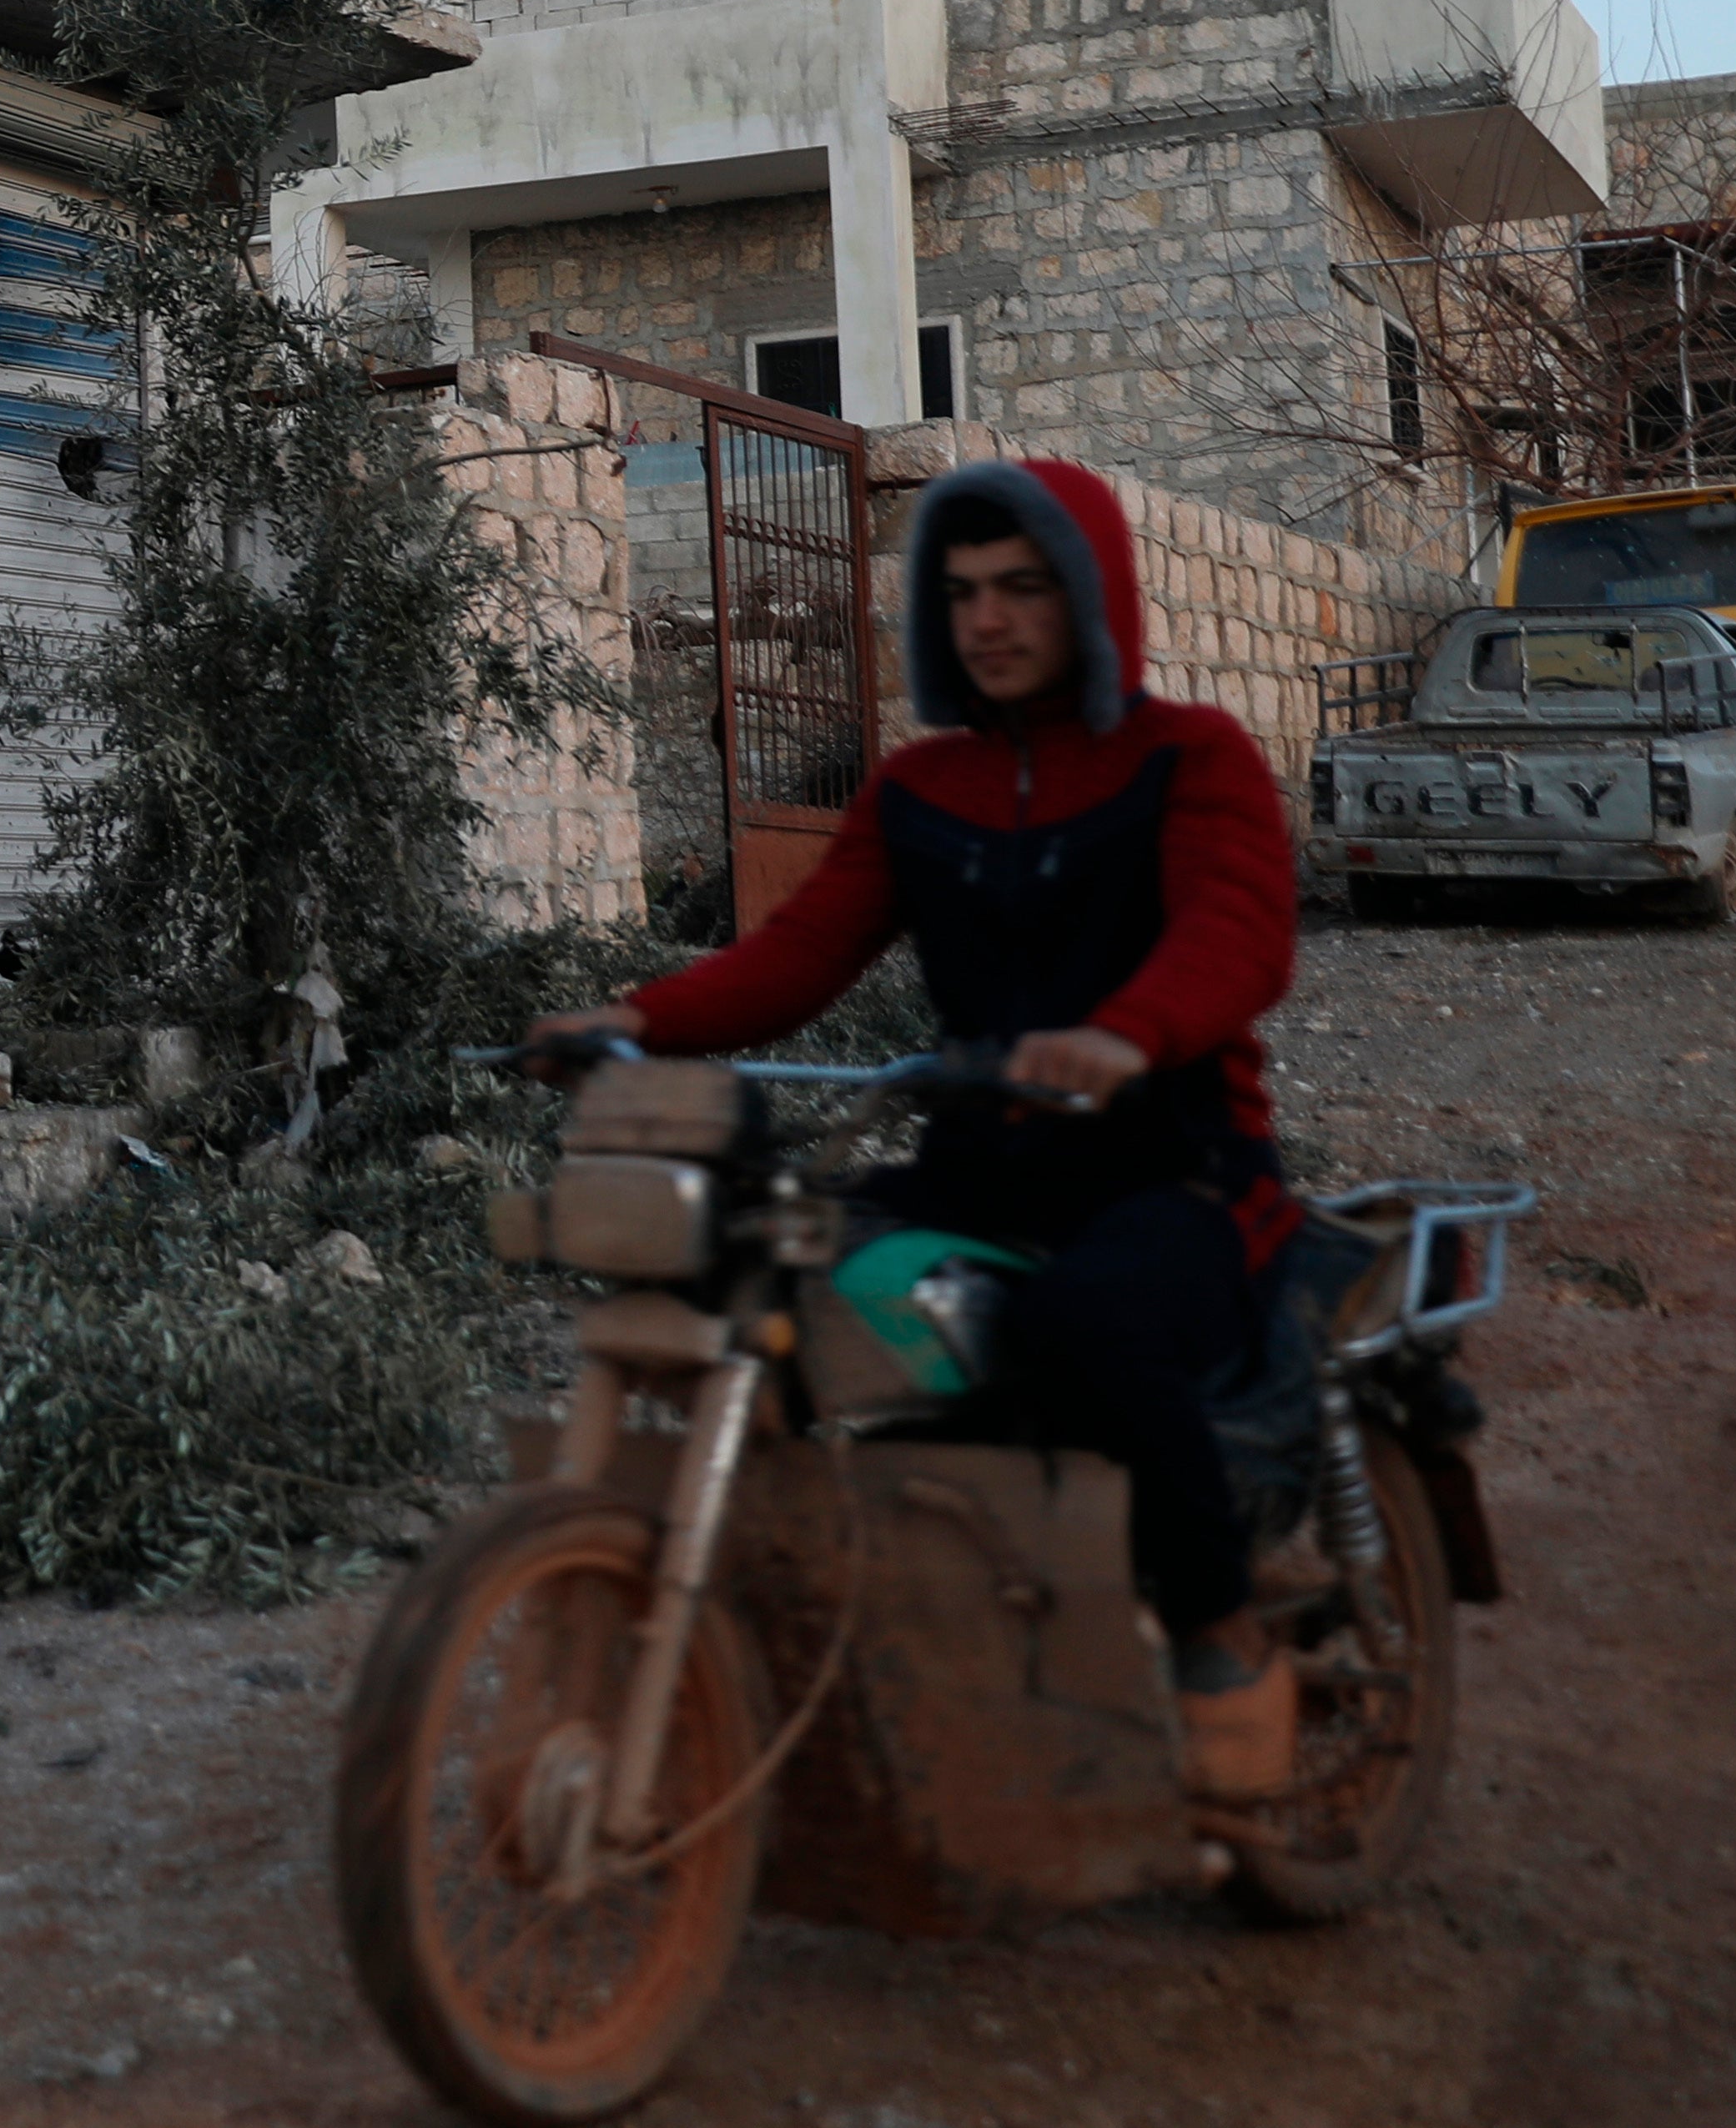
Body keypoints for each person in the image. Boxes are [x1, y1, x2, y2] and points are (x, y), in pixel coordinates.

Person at [529, 455, 1306, 1798]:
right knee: (768, 1286)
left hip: (1173, 1172)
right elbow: (804, 951)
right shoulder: (918, 789)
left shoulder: (1192, 759)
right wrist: (635, 1019)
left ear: (1092, 597)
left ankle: (1219, 1629)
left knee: (1089, 1324)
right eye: (959, 594)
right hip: (982, 1170)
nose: (987, 622)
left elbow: (1238, 935)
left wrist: (1124, 1037)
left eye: (1023, 589)